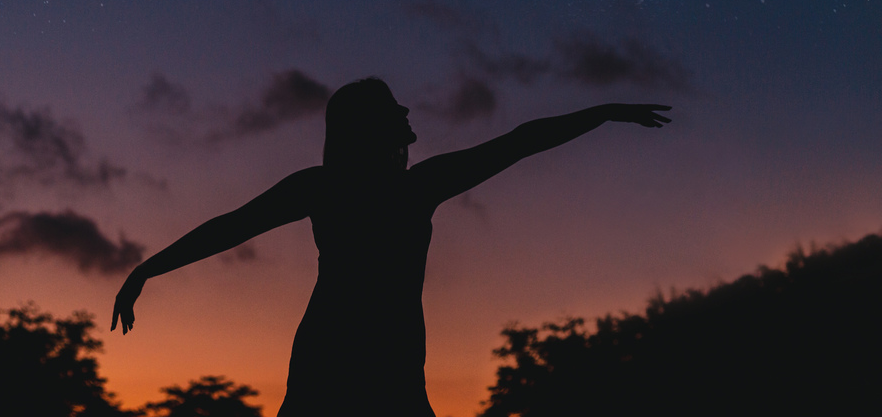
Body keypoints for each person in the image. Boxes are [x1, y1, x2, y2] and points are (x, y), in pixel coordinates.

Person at [112, 77, 671, 416]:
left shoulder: (359, 187)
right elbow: (232, 227)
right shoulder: (376, 188)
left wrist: (602, 114)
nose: (406, 114)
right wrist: (148, 270)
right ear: (370, 127)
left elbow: (520, 142)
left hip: (382, 361)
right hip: (344, 360)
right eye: (393, 109)